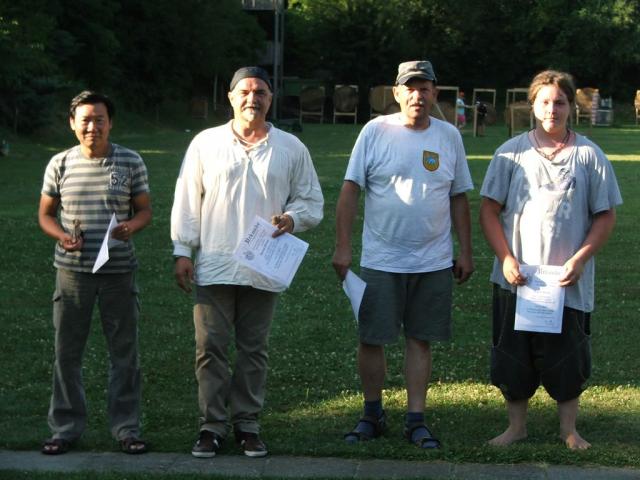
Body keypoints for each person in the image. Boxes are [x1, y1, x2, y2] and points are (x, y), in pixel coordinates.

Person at [171, 66, 324, 458]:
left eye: (260, 92)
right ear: (231, 96)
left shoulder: (290, 147)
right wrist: (183, 252)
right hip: (216, 261)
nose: (252, 98)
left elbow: (311, 200)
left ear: (271, 99)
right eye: (245, 91)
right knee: (211, 348)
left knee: (254, 349)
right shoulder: (206, 143)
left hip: (264, 262)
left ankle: (248, 425)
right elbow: (188, 200)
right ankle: (211, 427)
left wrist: (292, 218)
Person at [332, 60, 474, 449]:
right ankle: (371, 413)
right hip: (381, 259)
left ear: (434, 93)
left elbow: (459, 196)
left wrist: (465, 250)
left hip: (433, 260)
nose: (417, 95)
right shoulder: (375, 131)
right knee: (372, 338)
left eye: (425, 87)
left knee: (420, 339)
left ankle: (416, 419)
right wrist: (343, 246)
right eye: (409, 88)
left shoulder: (449, 137)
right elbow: (349, 190)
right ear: (396, 93)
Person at [479, 70, 622, 450]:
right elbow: (489, 211)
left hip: (566, 282)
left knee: (568, 357)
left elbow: (605, 215)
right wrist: (506, 258)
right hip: (517, 278)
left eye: (560, 101)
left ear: (571, 106)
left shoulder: (589, 155)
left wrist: (581, 259)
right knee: (513, 355)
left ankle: (569, 430)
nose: (552, 109)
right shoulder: (511, 152)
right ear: (532, 105)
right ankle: (516, 427)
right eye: (545, 101)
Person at [38, 91, 152, 455]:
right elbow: (45, 215)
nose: (92, 126)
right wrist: (62, 237)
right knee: (67, 352)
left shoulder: (130, 161)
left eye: (99, 119)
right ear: (72, 123)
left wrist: (130, 227)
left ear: (110, 122)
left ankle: (126, 429)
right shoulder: (60, 163)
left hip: (118, 272)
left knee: (124, 353)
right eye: (85, 120)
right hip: (72, 273)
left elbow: (145, 211)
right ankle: (65, 429)